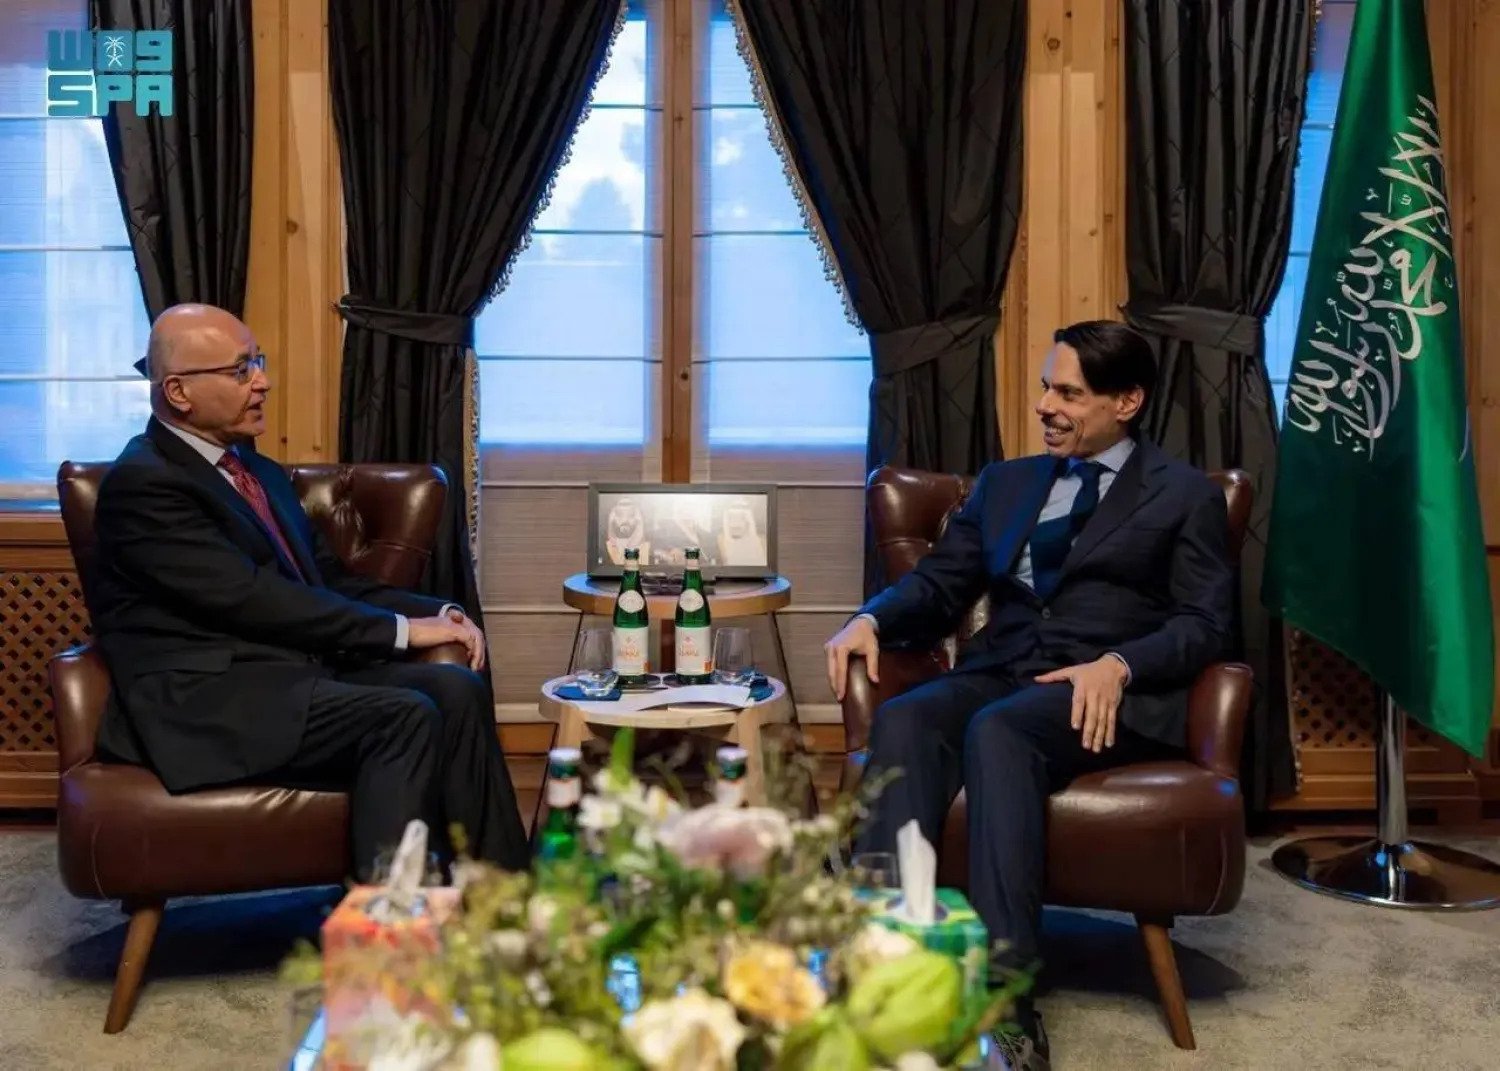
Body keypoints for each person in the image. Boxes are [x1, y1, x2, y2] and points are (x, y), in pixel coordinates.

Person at [824, 321, 1232, 1071]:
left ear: (1127, 401)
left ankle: (1005, 1000)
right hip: (1004, 667)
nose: (1045, 405)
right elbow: (942, 583)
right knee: (908, 717)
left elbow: (1206, 623)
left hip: (1100, 692)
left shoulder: (1183, 495)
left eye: (1068, 393)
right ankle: (887, 963)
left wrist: (1120, 664)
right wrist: (871, 618)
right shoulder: (1007, 483)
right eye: (1046, 387)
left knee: (1000, 731)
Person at [91, 303, 529, 878]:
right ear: (179, 392)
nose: (262, 382)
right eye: (241, 370)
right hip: (208, 705)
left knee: (456, 688)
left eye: (259, 363)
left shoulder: (256, 472)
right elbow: (252, 598)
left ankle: (502, 891)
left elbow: (331, 582)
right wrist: (400, 633)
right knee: (402, 716)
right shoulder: (145, 484)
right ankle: (386, 919)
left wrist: (438, 612)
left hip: (285, 678)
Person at [716, 497, 767, 567]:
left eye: (742, 516)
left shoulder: (760, 540)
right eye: (731, 516)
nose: (736, 523)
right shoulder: (722, 539)